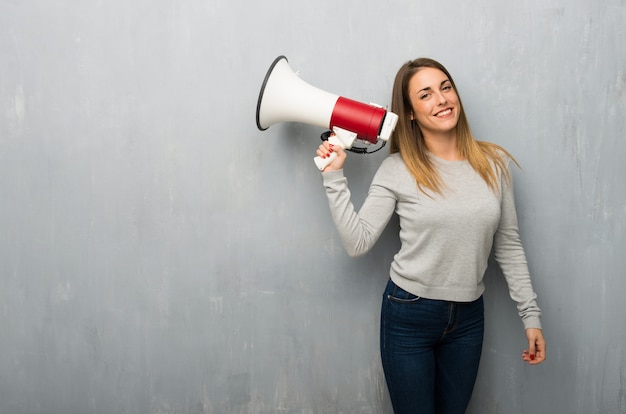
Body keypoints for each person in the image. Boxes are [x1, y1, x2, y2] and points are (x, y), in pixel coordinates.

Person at [315, 58, 546, 414]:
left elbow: (508, 244)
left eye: (445, 87)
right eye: (425, 94)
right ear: (409, 112)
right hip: (408, 314)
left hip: (469, 318)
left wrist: (530, 316)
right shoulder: (398, 169)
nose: (441, 99)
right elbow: (357, 242)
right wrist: (334, 177)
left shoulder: (493, 163)